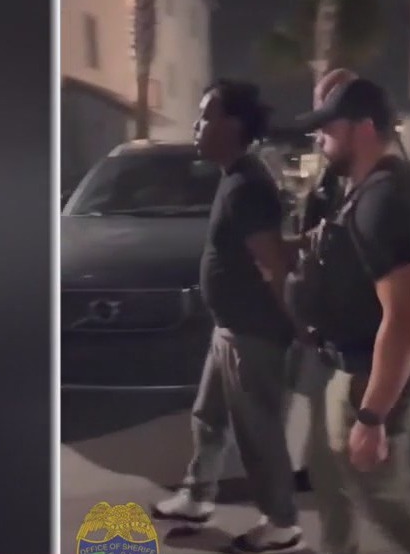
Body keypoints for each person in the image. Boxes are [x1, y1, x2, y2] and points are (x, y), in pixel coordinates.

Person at [290, 70, 410, 554]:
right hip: (349, 365)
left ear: (363, 128)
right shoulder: (367, 190)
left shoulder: (386, 200)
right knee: (334, 478)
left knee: (386, 501)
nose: (321, 139)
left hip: (369, 375)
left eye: (329, 128)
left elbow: (405, 316)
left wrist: (371, 416)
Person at [151, 79, 304, 553]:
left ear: (233, 125)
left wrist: (299, 326)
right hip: (231, 328)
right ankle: (197, 498)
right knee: (209, 418)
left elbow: (273, 265)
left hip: (252, 333)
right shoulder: (236, 177)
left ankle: (281, 523)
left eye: (206, 116)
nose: (197, 125)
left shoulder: (246, 186)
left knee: (257, 431)